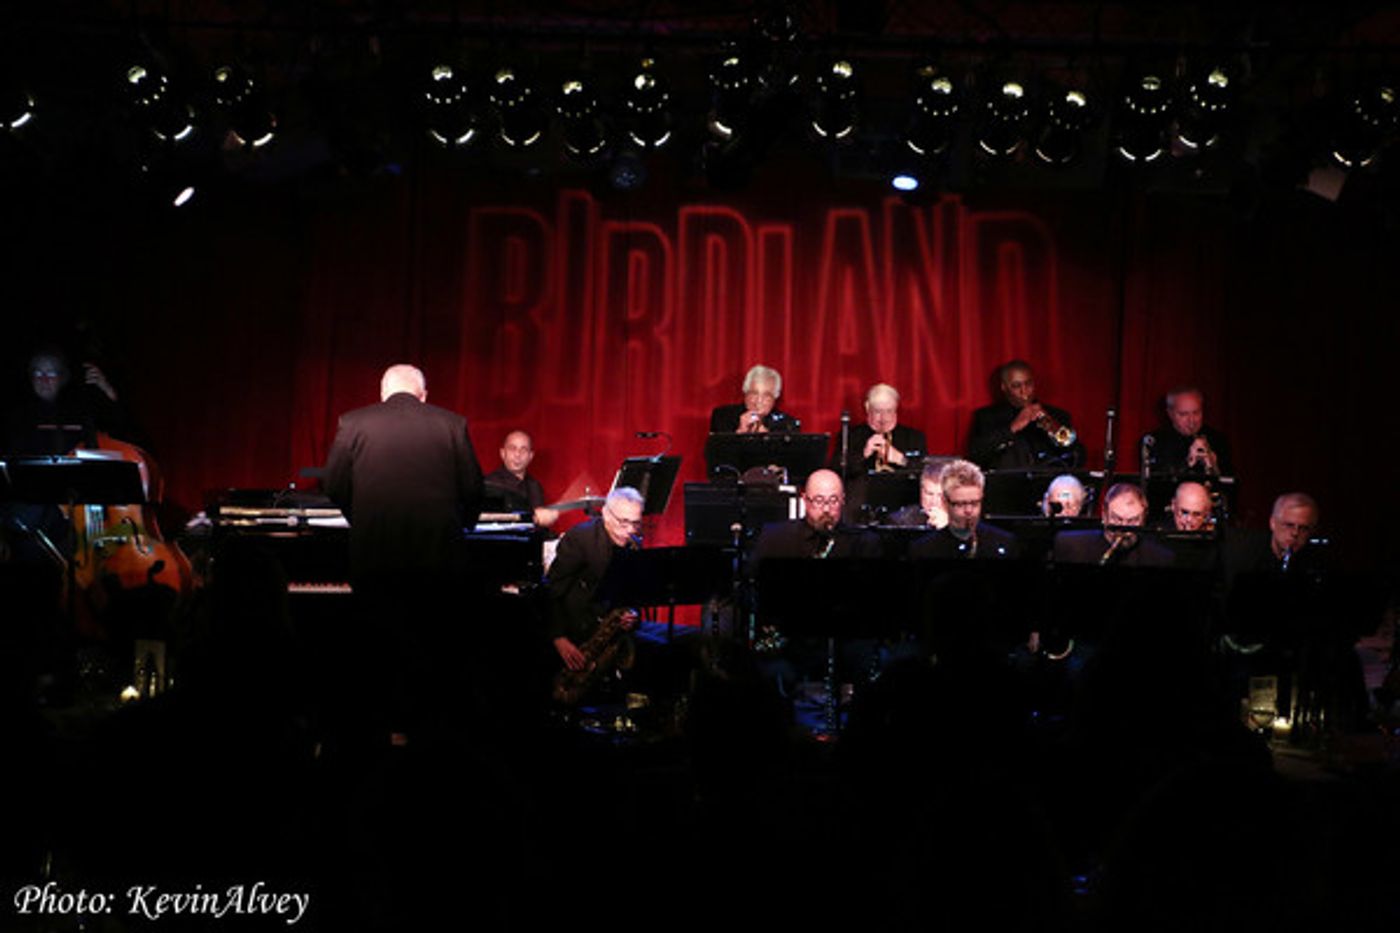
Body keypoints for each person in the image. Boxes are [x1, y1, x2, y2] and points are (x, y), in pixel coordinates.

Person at [323, 364, 484, 582]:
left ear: (383, 394)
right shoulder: (453, 424)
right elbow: (473, 488)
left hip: (373, 551)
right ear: (424, 396)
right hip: (438, 555)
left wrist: (362, 518)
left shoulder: (352, 423)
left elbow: (333, 485)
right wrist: (460, 526)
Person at [545, 486, 644, 673]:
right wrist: (558, 637)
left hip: (609, 634)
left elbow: (633, 592)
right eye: (623, 522)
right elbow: (552, 589)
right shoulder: (580, 539)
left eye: (635, 523)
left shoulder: (633, 543)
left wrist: (632, 614)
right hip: (575, 633)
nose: (630, 530)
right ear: (606, 514)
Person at [968, 360, 1083, 471]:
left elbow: (1079, 458)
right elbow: (975, 456)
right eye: (1016, 386)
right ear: (1004, 387)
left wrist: (1053, 428)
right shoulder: (987, 417)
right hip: (1008, 487)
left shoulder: (1058, 415)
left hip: (1049, 486)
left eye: (1028, 384)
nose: (1024, 391)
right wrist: (1012, 428)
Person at [750, 469, 881, 562]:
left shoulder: (863, 544)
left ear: (843, 500)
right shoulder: (775, 538)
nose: (826, 508)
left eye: (833, 500)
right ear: (805, 500)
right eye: (819, 500)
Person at [908, 459, 1019, 560]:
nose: (968, 511)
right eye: (960, 504)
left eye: (974, 503)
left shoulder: (1005, 543)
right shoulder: (920, 547)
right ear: (946, 501)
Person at [1053, 483, 1173, 567]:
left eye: (1133, 521)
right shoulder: (1071, 546)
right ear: (1104, 514)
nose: (1124, 528)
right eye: (1117, 519)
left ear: (1144, 518)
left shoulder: (1160, 558)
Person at [832, 383, 926, 479]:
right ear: (867, 408)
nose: (883, 418)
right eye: (877, 411)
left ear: (896, 409)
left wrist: (901, 459)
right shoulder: (849, 436)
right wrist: (863, 454)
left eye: (889, 411)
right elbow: (835, 473)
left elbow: (927, 474)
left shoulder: (914, 437)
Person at [1141, 386, 1234, 477]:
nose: (1191, 421)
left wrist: (1215, 467)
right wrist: (1188, 462)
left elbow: (1231, 484)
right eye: (1183, 414)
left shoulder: (1218, 439)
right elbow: (1156, 484)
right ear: (1170, 413)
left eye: (1196, 413)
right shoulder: (1154, 441)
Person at [483, 430, 559, 528]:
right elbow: (492, 525)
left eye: (523, 450)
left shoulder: (534, 486)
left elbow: (539, 529)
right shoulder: (489, 484)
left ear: (530, 456)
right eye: (512, 448)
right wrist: (534, 518)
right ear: (502, 453)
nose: (518, 454)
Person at [709, 364, 800, 434]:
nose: (759, 401)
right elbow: (714, 456)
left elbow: (789, 457)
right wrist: (740, 432)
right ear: (745, 392)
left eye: (766, 396)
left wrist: (767, 439)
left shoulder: (787, 424)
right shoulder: (723, 416)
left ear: (775, 397)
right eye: (754, 394)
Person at [888, 460, 950, 529]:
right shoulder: (900, 521)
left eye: (940, 495)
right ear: (921, 491)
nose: (934, 502)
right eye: (929, 494)